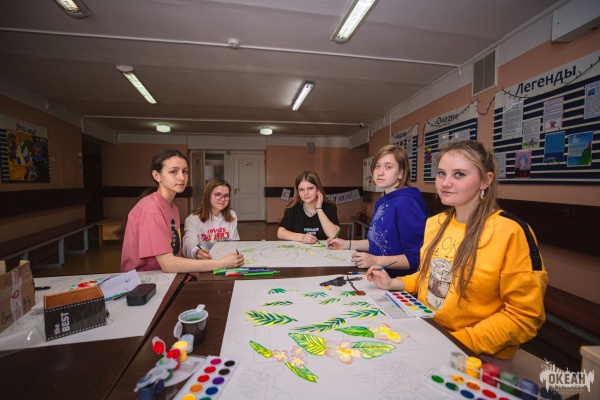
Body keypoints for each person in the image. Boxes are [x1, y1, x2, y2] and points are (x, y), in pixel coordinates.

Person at [366, 140, 548, 370]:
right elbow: (429, 276)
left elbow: (524, 316)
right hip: (429, 331)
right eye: (441, 173)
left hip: (476, 350)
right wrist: (394, 283)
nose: (445, 183)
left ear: (485, 180)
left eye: (459, 174)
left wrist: (458, 341)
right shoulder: (435, 223)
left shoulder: (511, 232)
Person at [121, 149, 244, 273]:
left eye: (185, 171)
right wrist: (222, 263)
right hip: (145, 278)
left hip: (169, 275)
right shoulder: (151, 209)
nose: (182, 177)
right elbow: (168, 264)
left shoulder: (173, 208)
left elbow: (175, 254)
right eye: (173, 171)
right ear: (157, 176)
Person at [328, 145, 428, 278]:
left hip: (398, 282)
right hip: (377, 276)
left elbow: (415, 259)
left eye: (388, 167)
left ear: (401, 173)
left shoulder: (406, 204)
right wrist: (347, 244)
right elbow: (377, 242)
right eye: (377, 166)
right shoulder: (381, 202)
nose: (380, 172)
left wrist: (375, 260)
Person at [182, 177, 240, 260]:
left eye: (226, 196)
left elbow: (234, 242)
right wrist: (197, 251)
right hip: (204, 261)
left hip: (225, 259)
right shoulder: (193, 219)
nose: (223, 199)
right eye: (218, 195)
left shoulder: (232, 215)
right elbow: (189, 242)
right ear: (208, 195)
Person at [278, 171, 339, 244]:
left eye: (310, 188)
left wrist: (319, 209)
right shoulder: (292, 209)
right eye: (301, 189)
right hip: (299, 249)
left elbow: (334, 235)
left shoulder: (330, 207)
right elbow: (280, 233)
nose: (305, 193)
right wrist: (301, 237)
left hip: (323, 250)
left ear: (318, 189)